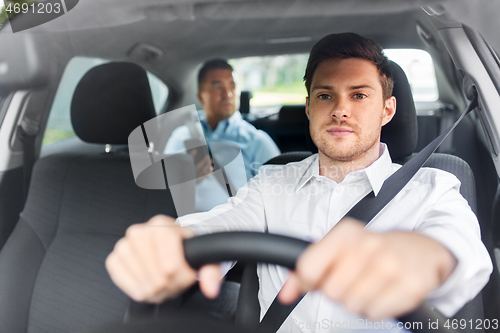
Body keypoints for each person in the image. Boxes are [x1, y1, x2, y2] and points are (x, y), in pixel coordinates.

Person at [106, 33, 492, 332]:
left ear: (387, 110)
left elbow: (459, 249)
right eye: (326, 95)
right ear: (309, 108)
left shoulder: (433, 187)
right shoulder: (271, 183)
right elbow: (219, 223)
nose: (340, 108)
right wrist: (174, 244)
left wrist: (418, 257)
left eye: (359, 95)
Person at [164, 59, 281, 212]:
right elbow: (161, 191)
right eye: (218, 87)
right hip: (182, 226)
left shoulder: (257, 141)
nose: (228, 94)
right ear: (201, 96)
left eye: (232, 86)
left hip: (236, 230)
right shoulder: (181, 135)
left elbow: (279, 198)